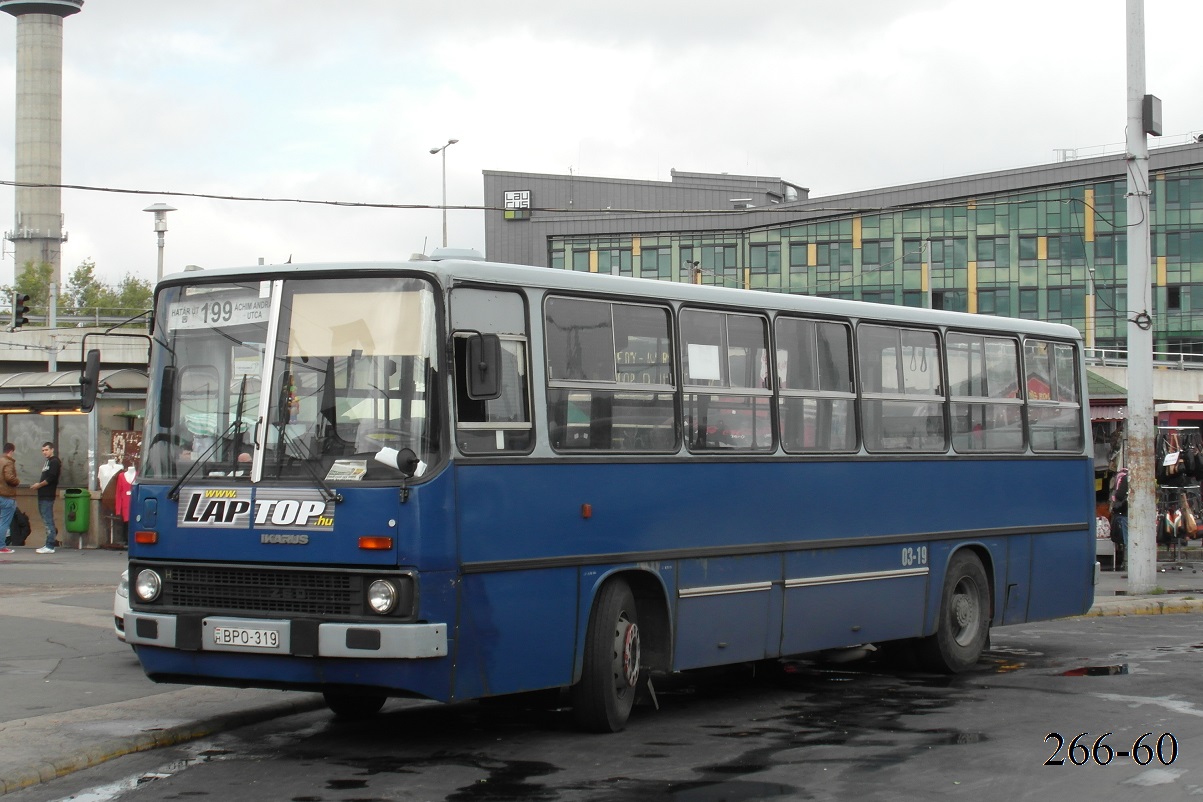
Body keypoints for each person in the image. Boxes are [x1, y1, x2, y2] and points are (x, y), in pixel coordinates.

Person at [31, 442, 61, 554]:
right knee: (46, 519)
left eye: (46, 450)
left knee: (48, 520)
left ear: (52, 449)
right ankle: (49, 541)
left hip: (48, 495)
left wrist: (39, 485)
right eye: (43, 450)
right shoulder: (47, 462)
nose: (44, 452)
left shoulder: (54, 462)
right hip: (42, 494)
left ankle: (50, 545)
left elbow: (51, 478)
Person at [0, 443, 18, 554]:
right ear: (11, 451)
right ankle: (1, 546)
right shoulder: (8, 462)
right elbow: (9, 477)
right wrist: (17, 481)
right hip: (6, 495)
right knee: (4, 522)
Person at [1110, 467, 1129, 569]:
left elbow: (1120, 495)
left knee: (1128, 539)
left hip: (1126, 512)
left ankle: (1127, 563)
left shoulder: (1125, 478)